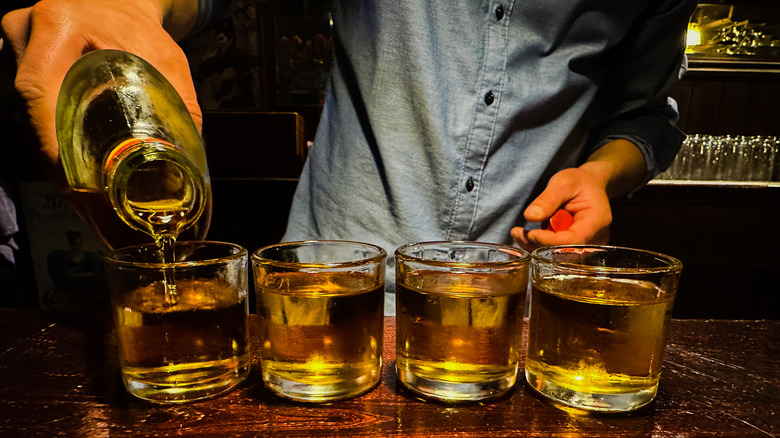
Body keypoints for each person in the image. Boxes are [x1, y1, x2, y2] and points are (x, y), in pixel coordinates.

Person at [2, 0, 696, 313]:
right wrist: (129, 4)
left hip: (508, 302)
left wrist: (604, 173)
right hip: (328, 292)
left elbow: (645, 115)